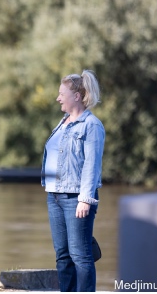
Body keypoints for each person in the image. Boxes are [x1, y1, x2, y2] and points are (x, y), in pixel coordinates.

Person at [42, 71, 105, 292]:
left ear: (76, 96)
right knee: (62, 255)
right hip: (54, 196)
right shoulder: (62, 123)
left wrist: (85, 199)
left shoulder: (91, 125)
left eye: (62, 94)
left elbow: (92, 164)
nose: (58, 98)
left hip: (76, 197)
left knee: (80, 255)